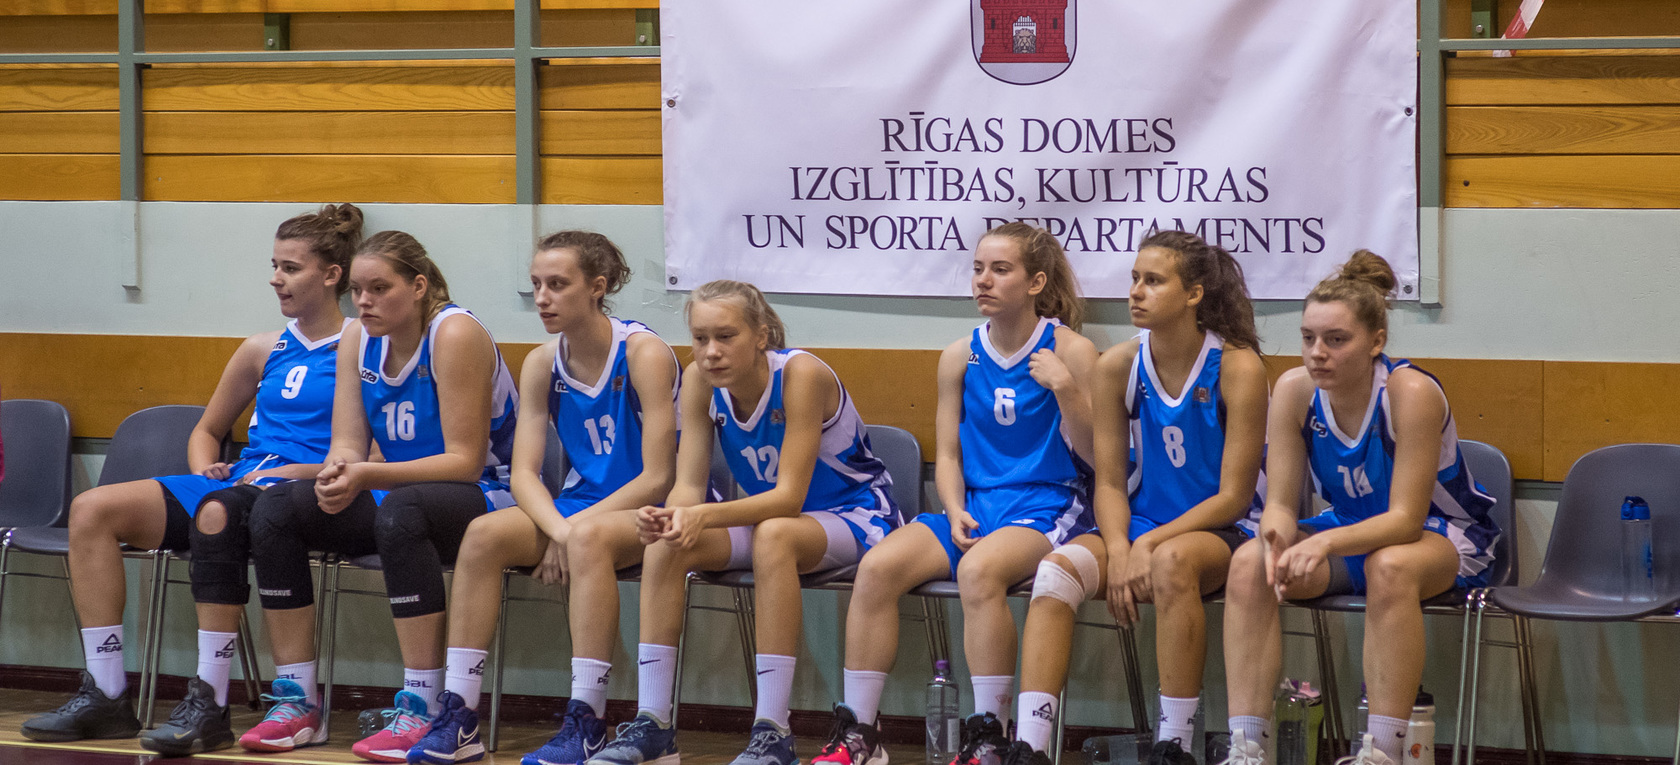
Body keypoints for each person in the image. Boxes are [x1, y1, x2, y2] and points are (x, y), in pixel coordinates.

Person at [19, 204, 363, 756]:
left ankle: (210, 699)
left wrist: (309, 469)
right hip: (239, 481)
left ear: (331, 274)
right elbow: (208, 429)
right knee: (92, 510)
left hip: (302, 492)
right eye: (274, 265)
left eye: (291, 267)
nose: (277, 278)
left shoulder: (364, 343)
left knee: (220, 512)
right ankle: (105, 691)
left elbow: (372, 445)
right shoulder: (262, 348)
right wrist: (205, 464)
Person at [811, 222, 1097, 765]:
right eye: (978, 268)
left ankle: (989, 735)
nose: (983, 280)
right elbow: (948, 454)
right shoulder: (957, 356)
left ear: (1036, 282)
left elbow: (1098, 455)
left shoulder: (1072, 351)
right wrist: (956, 507)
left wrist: (1065, 387)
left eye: (1000, 269)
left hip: (1047, 506)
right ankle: (860, 737)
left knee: (977, 572)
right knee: (876, 568)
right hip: (974, 506)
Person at [587, 279, 900, 765]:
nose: (710, 352)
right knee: (667, 544)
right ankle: (654, 724)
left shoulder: (802, 375)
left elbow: (789, 498)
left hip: (855, 514)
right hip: (771, 522)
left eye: (725, 336)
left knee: (774, 536)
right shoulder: (696, 381)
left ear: (761, 334)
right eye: (700, 338)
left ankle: (772, 730)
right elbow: (689, 485)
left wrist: (702, 514)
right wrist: (672, 516)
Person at [237, 231, 519, 763]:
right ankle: (297, 699)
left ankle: (424, 703)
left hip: (489, 495)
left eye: (379, 289)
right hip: (401, 492)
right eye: (358, 291)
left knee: (402, 514)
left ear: (418, 286)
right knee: (276, 507)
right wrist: (338, 474)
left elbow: (464, 460)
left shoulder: (454, 332)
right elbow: (346, 442)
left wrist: (365, 475)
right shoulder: (357, 339)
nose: (363, 302)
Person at [405, 232, 680, 765]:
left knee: (590, 540)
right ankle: (460, 713)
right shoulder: (540, 363)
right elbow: (526, 475)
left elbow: (658, 476)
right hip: (578, 512)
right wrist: (559, 528)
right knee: (483, 534)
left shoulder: (644, 353)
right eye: (536, 285)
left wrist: (573, 533)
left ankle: (589, 720)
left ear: (597, 288)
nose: (543, 297)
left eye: (558, 284)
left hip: (647, 509)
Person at [1220, 251, 1498, 765]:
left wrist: (1321, 542)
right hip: (1350, 529)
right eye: (1308, 339)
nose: (1317, 353)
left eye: (1336, 339)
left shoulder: (1411, 392)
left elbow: (1405, 521)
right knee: (1248, 564)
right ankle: (1248, 747)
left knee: (1389, 566)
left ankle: (1384, 752)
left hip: (1443, 534)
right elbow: (1279, 501)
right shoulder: (1292, 392)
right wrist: (1277, 538)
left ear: (1376, 342)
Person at [1003, 231, 1267, 765]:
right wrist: (1121, 547)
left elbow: (1235, 497)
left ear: (1193, 295)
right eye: (1134, 279)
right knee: (1056, 572)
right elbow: (1107, 480)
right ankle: (1030, 747)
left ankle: (1174, 744)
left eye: (1153, 281)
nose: (1136, 292)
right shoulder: (1117, 365)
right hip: (1143, 524)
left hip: (1224, 533)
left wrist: (1146, 547)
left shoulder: (1238, 366)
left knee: (1170, 562)